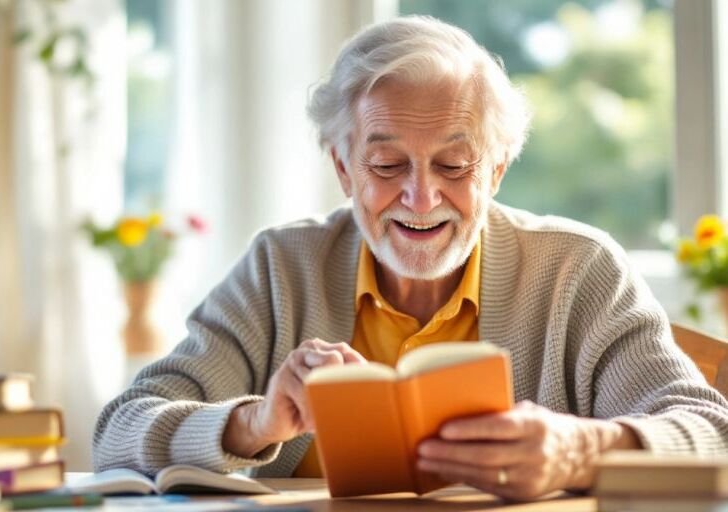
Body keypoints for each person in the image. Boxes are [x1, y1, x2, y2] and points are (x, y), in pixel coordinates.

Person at [93, 15, 728, 500]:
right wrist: (254, 422)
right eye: (386, 164)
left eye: (454, 164)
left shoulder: (577, 270)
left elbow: (712, 431)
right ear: (343, 169)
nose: (421, 197)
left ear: (497, 170)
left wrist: (580, 450)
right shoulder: (280, 268)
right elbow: (117, 432)